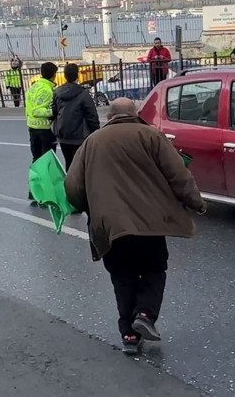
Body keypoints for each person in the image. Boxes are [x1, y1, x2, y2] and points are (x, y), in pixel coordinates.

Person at [64, 97, 206, 355]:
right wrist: (196, 203)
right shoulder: (152, 136)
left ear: (109, 117)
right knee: (153, 269)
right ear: (136, 113)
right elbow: (179, 175)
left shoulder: (91, 142)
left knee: (122, 277)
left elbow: (72, 187)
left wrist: (88, 207)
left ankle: (129, 334)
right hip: (150, 222)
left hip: (109, 226)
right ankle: (145, 314)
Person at [51, 63, 100, 171]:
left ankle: (69, 185)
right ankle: (80, 186)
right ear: (77, 75)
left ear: (65, 75)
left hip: (63, 134)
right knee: (81, 165)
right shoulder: (83, 93)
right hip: (79, 135)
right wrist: (96, 132)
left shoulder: (57, 92)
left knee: (69, 162)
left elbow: (53, 112)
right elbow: (92, 115)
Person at [25, 62, 58, 201]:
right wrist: (53, 112)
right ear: (53, 75)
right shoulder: (45, 90)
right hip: (44, 130)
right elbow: (36, 110)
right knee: (47, 163)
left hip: (32, 128)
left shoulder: (33, 87)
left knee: (36, 161)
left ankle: (34, 191)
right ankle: (45, 194)